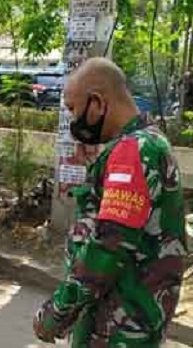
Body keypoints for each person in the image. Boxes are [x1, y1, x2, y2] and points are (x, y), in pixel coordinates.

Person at [33, 58, 187, 347]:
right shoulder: (144, 144)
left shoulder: (133, 151)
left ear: (98, 103)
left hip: (117, 327)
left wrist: (56, 313)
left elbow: (106, 247)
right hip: (127, 321)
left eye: (73, 109)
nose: (72, 121)